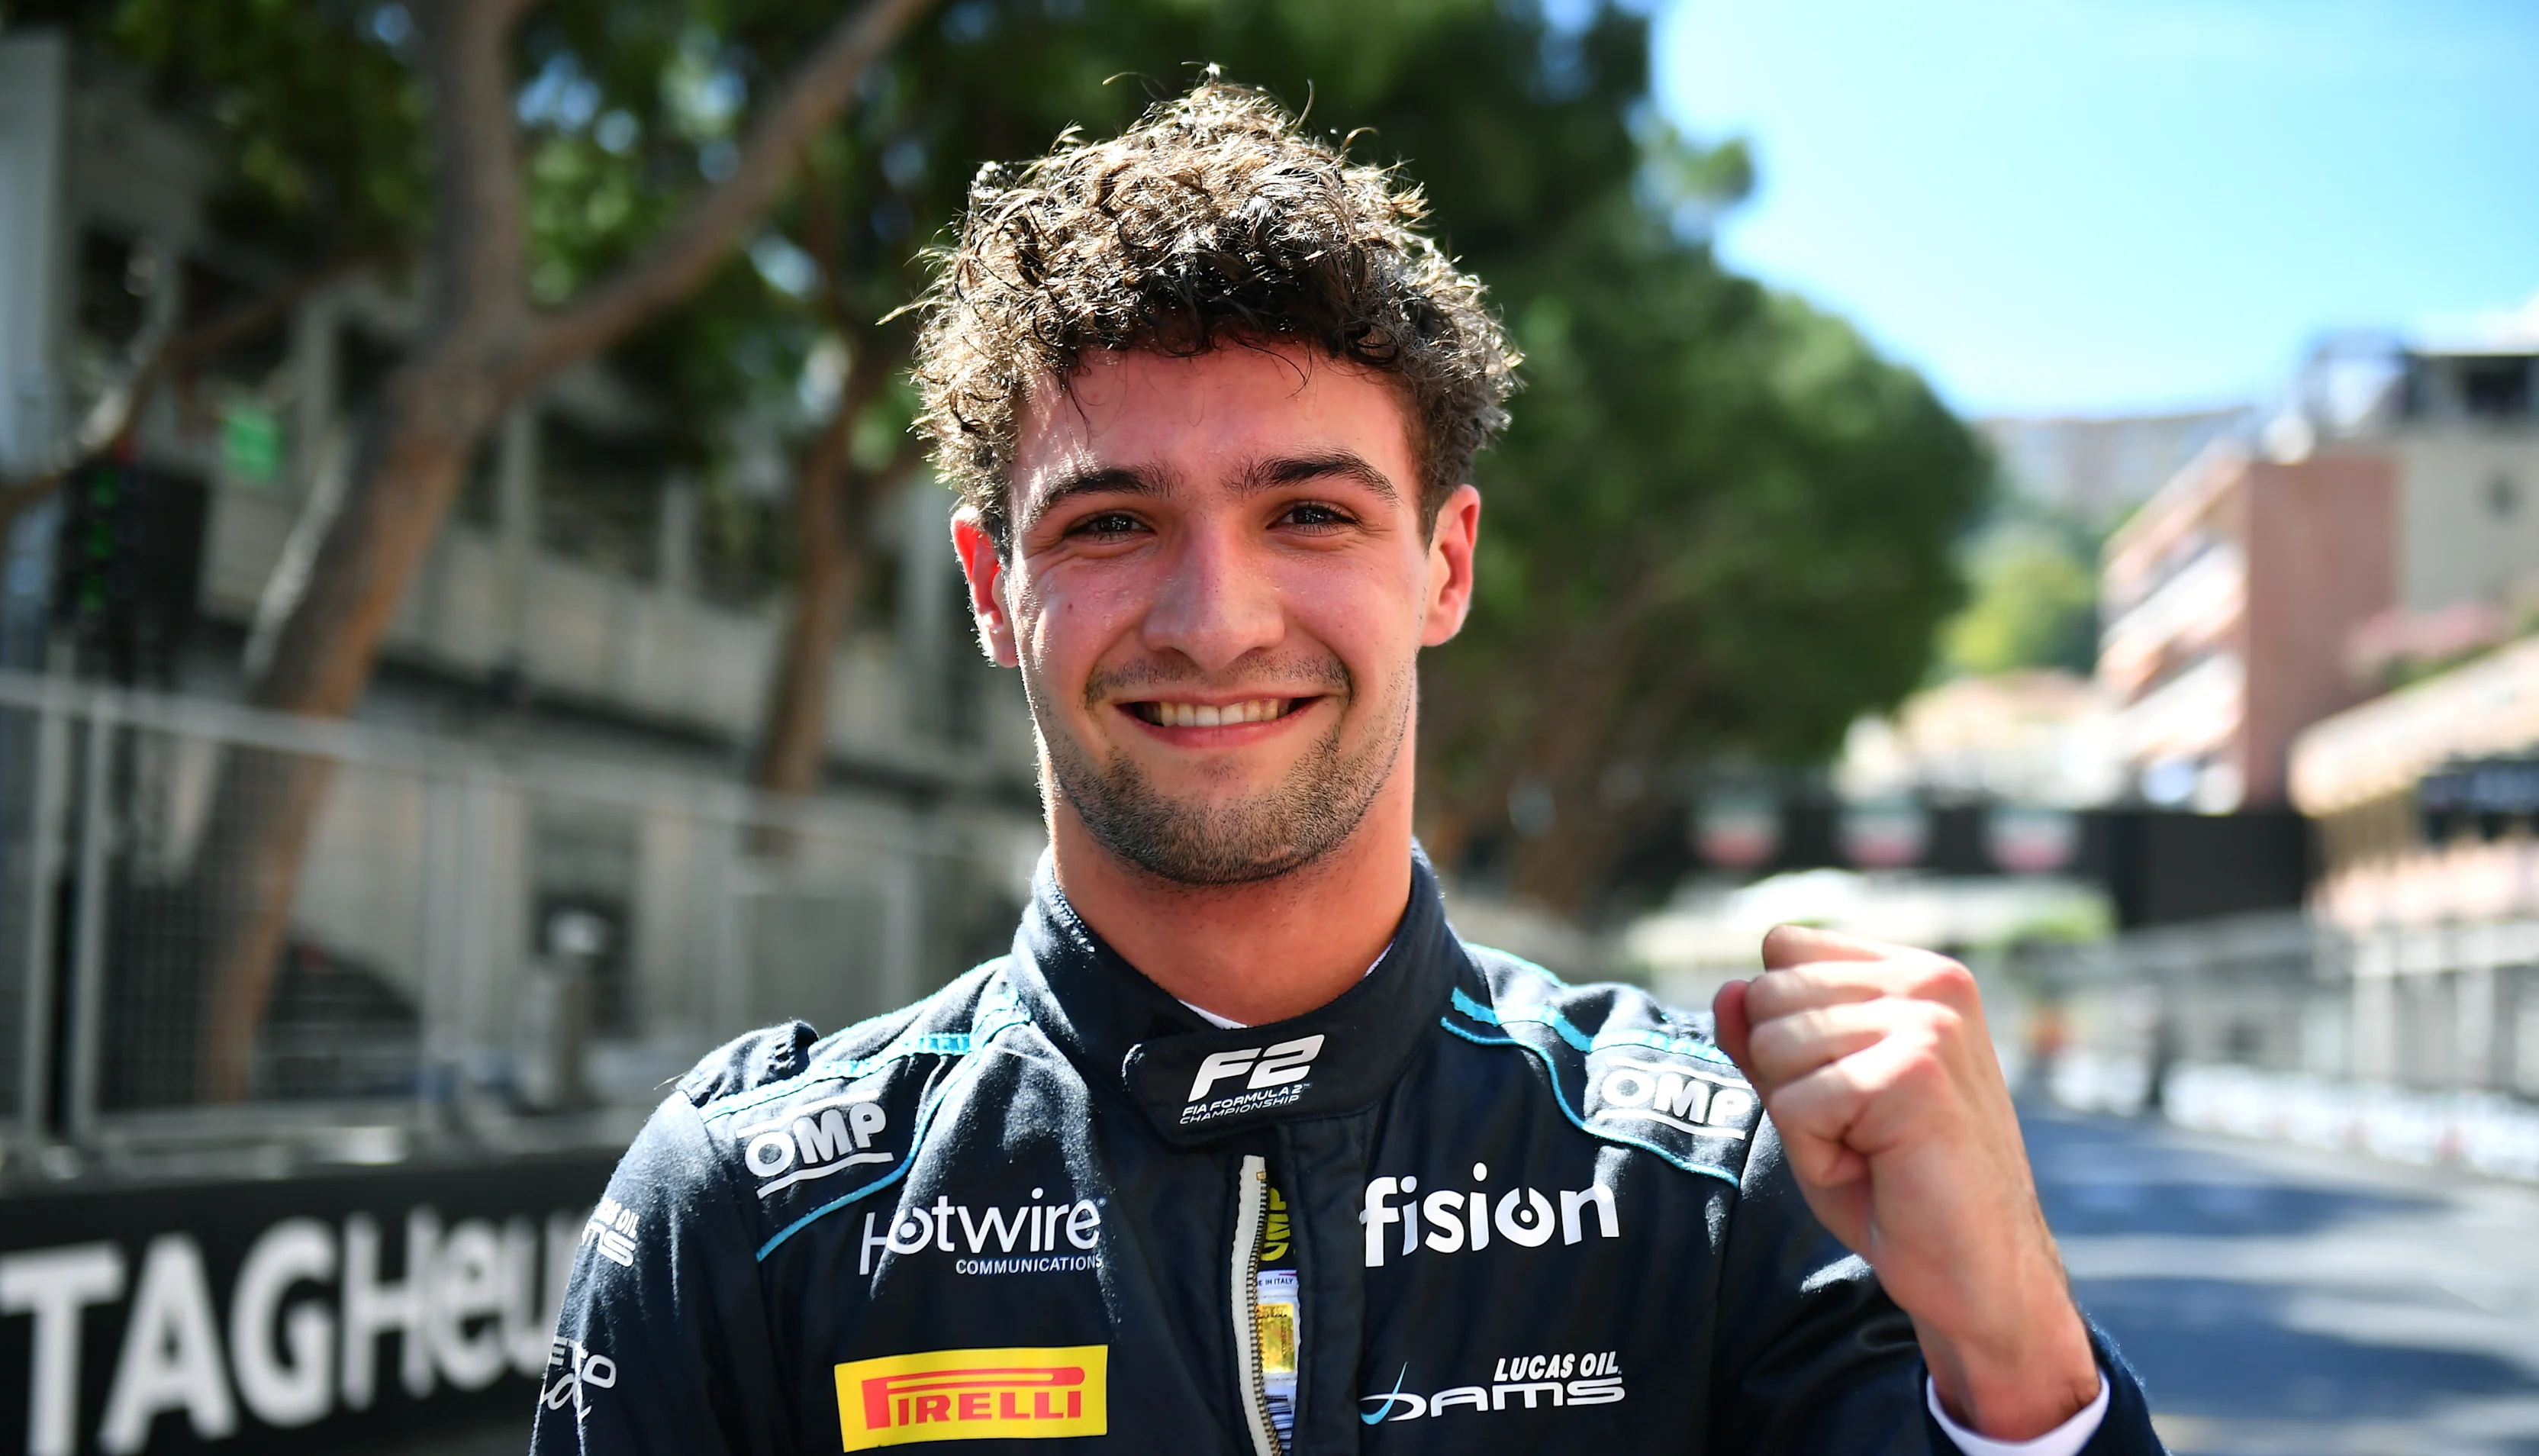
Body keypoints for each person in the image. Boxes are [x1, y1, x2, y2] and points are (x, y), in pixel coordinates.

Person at [528, 81, 2163, 1456]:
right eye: (1112, 522)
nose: (1215, 620)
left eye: (1309, 513)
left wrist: (2021, 1364)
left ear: (1445, 566)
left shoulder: (1721, 1177)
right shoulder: (751, 1209)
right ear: (988, 587)